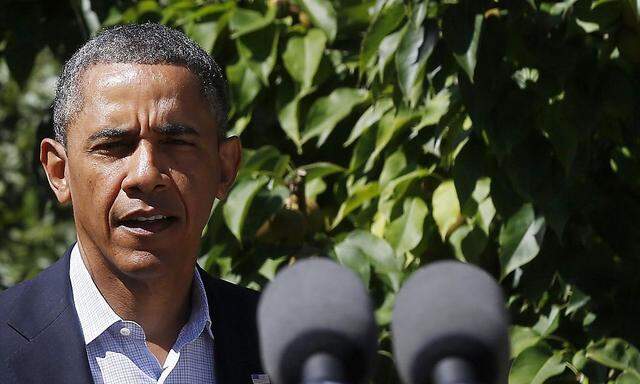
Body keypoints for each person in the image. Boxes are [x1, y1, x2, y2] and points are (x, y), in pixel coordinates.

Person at [0, 23, 267, 384]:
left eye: (176, 143)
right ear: (59, 172)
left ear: (224, 168)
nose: (145, 174)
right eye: (114, 146)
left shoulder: (289, 345)